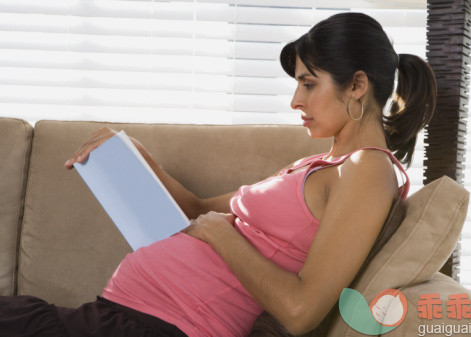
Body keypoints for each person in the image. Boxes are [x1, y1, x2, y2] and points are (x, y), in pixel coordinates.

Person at [0, 11, 436, 337]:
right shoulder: (322, 165)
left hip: (161, 327)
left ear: (357, 86)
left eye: (308, 84)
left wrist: (220, 235)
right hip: (119, 317)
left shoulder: (367, 170)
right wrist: (138, 156)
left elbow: (301, 311)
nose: (295, 101)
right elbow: (197, 211)